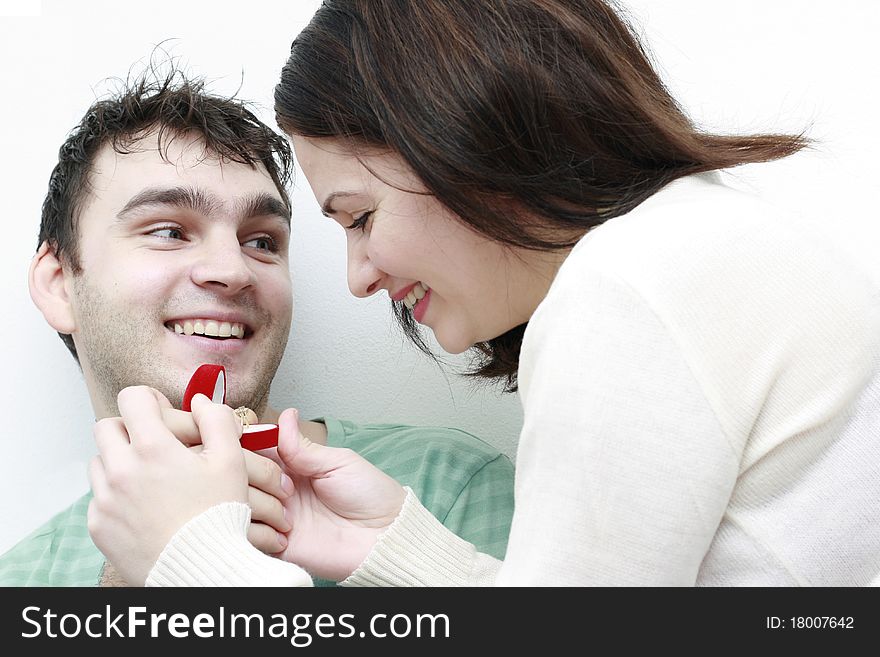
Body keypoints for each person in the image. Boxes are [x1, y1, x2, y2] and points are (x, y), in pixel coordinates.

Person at [89, 0, 880, 586]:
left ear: (458, 136)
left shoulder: (632, 282)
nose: (359, 279)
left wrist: (195, 557)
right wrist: (398, 553)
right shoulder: (701, 245)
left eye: (359, 217)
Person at [0, 62, 515, 587]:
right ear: (60, 282)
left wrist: (193, 565)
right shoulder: (21, 581)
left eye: (262, 242)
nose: (233, 270)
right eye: (169, 231)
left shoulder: (448, 489)